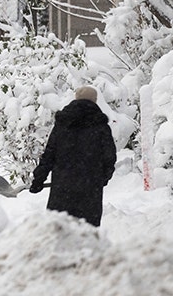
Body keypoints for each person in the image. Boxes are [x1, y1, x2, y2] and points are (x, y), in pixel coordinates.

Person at [29, 85, 117, 227]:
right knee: (87, 234)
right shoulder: (100, 126)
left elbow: (49, 155)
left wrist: (38, 179)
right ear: (94, 101)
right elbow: (110, 157)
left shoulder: (63, 123)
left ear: (75, 99)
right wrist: (102, 178)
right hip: (90, 190)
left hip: (62, 189)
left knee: (59, 232)